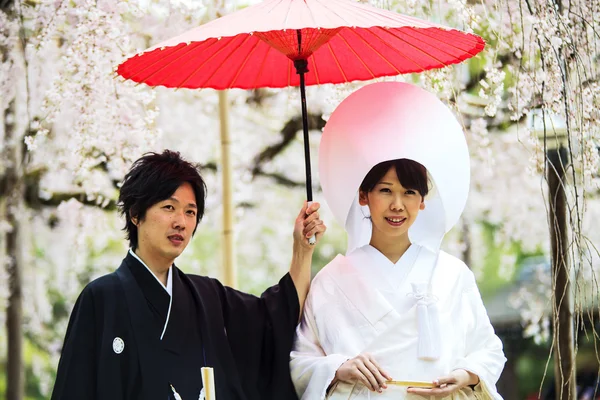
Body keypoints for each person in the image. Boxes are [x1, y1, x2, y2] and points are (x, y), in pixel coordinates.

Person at [51, 149, 326, 400]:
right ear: (136, 214)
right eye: (169, 207)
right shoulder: (101, 299)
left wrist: (302, 250)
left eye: (190, 212)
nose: (181, 222)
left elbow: (276, 319)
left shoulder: (208, 297)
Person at [290, 82, 506, 399]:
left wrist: (465, 374)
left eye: (409, 192)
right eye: (385, 190)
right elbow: (302, 360)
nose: (397, 205)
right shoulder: (331, 281)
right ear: (363, 196)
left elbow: (487, 349)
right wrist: (339, 366)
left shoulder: (451, 274)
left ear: (422, 201)